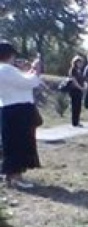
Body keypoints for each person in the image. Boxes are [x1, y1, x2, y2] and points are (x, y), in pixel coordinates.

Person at [0, 40, 42, 189]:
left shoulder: (5, 70)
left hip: (9, 110)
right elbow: (30, 83)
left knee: (11, 144)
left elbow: (22, 81)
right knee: (19, 144)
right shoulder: (7, 70)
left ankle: (10, 175)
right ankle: (16, 177)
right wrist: (36, 70)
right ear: (9, 55)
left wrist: (28, 72)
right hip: (18, 110)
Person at [68, 55, 86, 127]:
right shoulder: (73, 70)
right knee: (74, 106)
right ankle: (74, 122)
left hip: (79, 90)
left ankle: (77, 121)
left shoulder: (79, 70)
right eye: (78, 62)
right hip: (74, 90)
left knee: (78, 106)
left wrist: (83, 86)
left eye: (80, 62)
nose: (79, 64)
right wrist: (80, 88)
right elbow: (74, 80)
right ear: (75, 62)